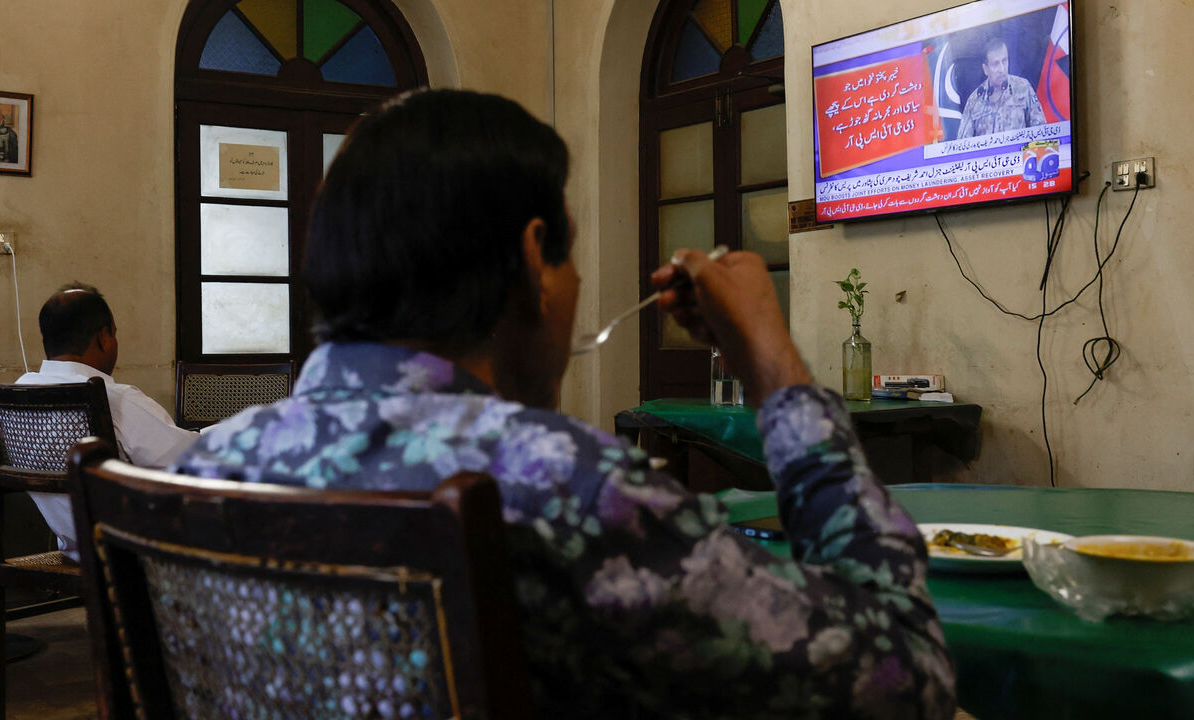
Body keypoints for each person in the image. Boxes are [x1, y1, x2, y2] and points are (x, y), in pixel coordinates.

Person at [175, 89, 955, 719]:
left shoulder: (204, 469)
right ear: (531, 255)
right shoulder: (569, 488)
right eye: (571, 252)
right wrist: (774, 365)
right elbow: (901, 676)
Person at [17, 284, 197, 559]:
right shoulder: (114, 398)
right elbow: (189, 461)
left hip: (75, 549)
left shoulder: (20, 392)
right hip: (136, 554)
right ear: (105, 337)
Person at [956, 37, 1045, 139]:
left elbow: (1041, 130)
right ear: (986, 69)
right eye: (995, 64)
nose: (1001, 69)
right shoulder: (974, 100)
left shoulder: (1023, 87)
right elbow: (963, 142)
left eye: (1004, 61)